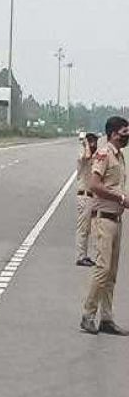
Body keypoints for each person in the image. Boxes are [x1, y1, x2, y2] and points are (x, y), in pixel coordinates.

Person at [80, 116, 129, 336]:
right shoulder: (103, 154)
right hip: (103, 219)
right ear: (113, 133)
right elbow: (94, 184)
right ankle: (88, 314)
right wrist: (120, 197)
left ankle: (106, 318)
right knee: (102, 269)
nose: (126, 135)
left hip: (116, 219)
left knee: (112, 273)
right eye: (124, 131)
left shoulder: (120, 156)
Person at [75, 132, 98, 266]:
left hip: (91, 196)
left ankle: (84, 254)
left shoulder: (93, 156)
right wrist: (85, 143)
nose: (94, 144)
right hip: (84, 195)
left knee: (88, 228)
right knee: (83, 228)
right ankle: (80, 256)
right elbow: (87, 156)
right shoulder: (82, 154)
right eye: (92, 142)